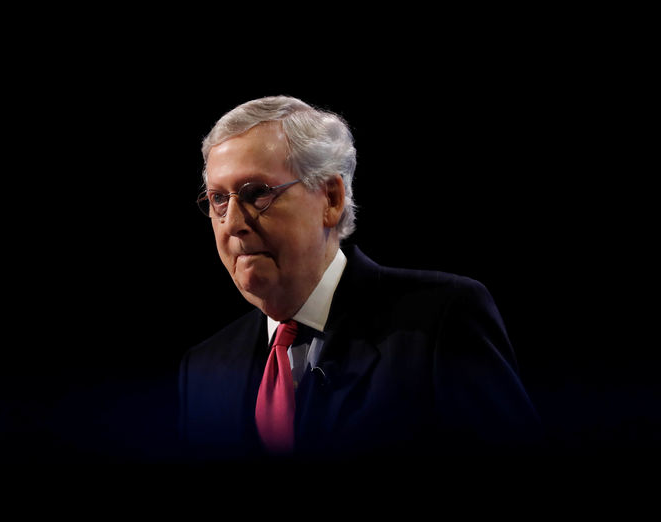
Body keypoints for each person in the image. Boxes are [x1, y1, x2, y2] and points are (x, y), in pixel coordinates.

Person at [178, 95, 541, 461]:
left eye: (257, 194)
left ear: (331, 199)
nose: (234, 223)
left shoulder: (441, 323)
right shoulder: (204, 369)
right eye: (218, 200)